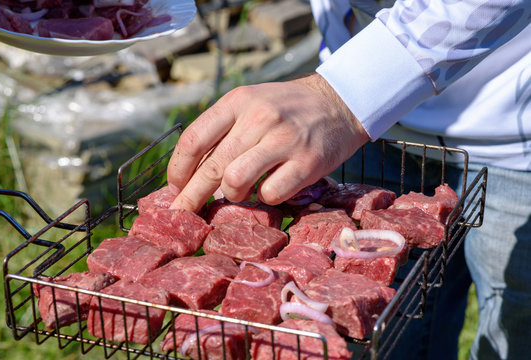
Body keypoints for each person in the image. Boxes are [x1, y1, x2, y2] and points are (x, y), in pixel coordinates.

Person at [166, 0, 530, 358]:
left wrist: (342, 95)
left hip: (508, 119)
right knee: (385, 331)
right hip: (372, 127)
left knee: (516, 325)